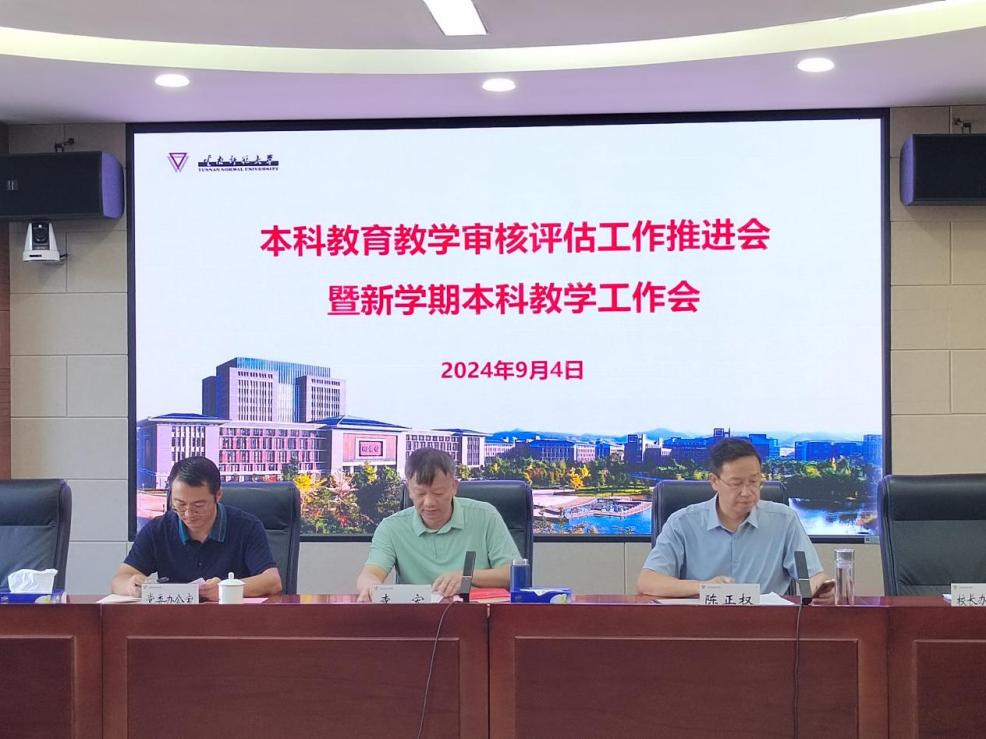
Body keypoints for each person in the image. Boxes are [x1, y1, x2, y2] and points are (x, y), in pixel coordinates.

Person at [637, 437, 835, 603]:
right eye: (736, 483)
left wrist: (820, 589)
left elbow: (807, 577)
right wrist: (703, 587)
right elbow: (648, 581)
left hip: (767, 628)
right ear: (714, 481)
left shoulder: (784, 521)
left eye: (754, 482)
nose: (747, 492)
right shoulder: (682, 523)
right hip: (701, 628)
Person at [357, 448, 520, 601]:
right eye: (420, 493)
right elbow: (370, 574)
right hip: (418, 616)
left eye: (438, 493)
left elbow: (513, 575)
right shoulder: (391, 528)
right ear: (409, 490)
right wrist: (370, 586)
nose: (429, 502)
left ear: (454, 487)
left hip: (476, 613)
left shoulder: (485, 516)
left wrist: (467, 576)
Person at [111, 456, 282, 601]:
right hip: (174, 623)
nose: (188, 513)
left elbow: (272, 581)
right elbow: (119, 580)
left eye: (198, 505)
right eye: (180, 504)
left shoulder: (246, 527)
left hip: (231, 621)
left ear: (218, 495)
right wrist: (131, 585)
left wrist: (225, 589)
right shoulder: (158, 530)